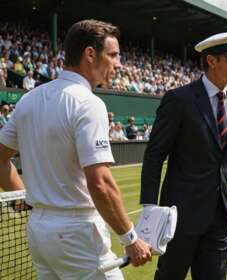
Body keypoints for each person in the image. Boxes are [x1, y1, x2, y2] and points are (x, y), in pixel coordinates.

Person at [0, 19, 152, 279]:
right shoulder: (89, 104)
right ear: (90, 54)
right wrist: (130, 238)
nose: (118, 64)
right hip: (77, 234)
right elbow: (101, 183)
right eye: (113, 55)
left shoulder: (28, 100)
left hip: (39, 232)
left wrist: (20, 198)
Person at [140, 31, 227, 280]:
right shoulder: (179, 100)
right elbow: (154, 155)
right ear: (212, 61)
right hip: (180, 217)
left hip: (220, 218)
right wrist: (149, 208)